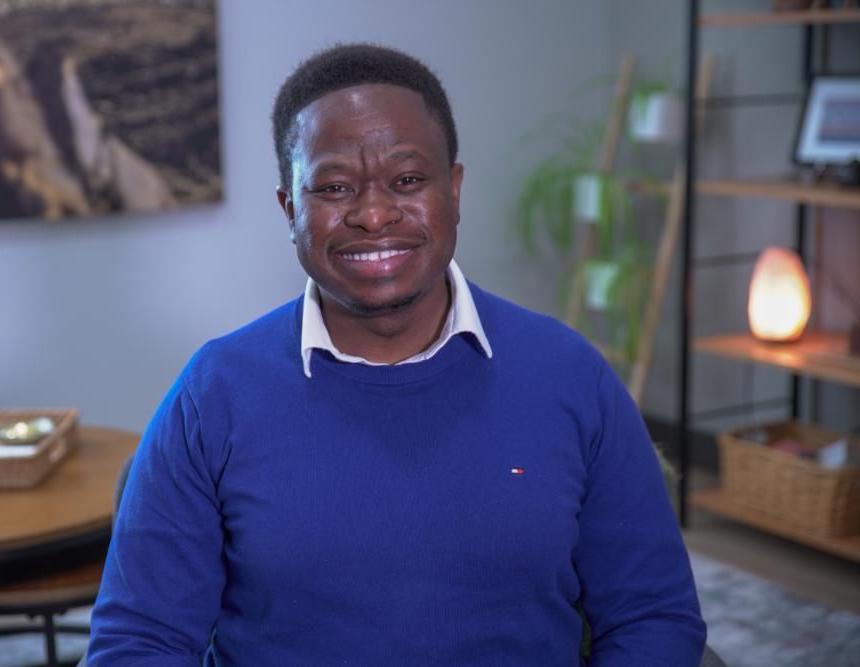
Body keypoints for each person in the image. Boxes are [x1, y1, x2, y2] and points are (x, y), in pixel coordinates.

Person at [87, 43, 706, 666]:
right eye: (333, 187)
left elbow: (652, 616)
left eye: (408, 180)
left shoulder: (571, 376)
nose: (375, 214)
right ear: (289, 209)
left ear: (454, 190)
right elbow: (141, 643)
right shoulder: (212, 395)